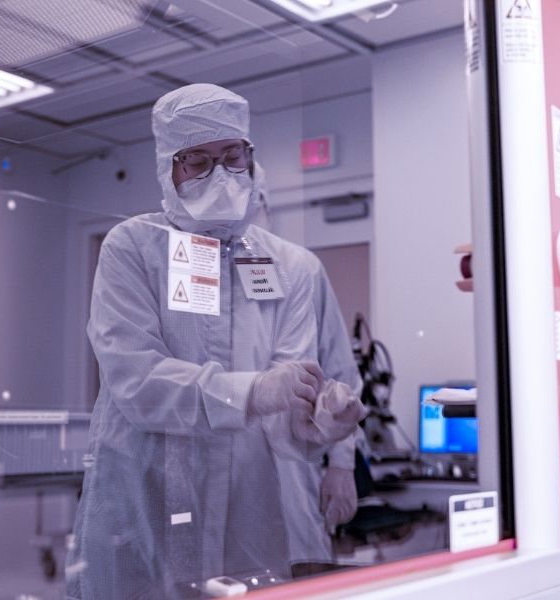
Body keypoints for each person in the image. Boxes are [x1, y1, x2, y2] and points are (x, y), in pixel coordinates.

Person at [66, 83, 365, 600]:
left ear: (251, 160)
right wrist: (255, 392)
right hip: (145, 495)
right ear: (168, 168)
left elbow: (289, 395)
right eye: (197, 162)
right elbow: (135, 381)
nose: (221, 175)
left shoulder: (284, 266)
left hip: (249, 508)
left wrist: (321, 426)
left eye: (233, 157)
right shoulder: (134, 247)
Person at [252, 163, 366, 576]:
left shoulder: (299, 270)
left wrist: (341, 464)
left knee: (294, 569)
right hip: (215, 484)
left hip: (290, 478)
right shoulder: (194, 278)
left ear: (260, 200)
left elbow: (341, 376)